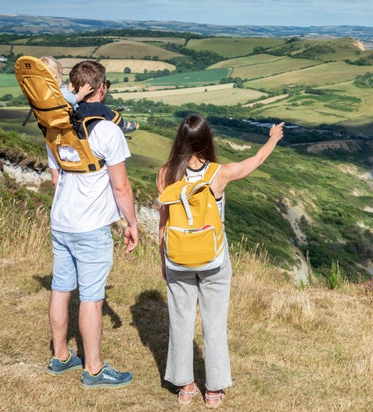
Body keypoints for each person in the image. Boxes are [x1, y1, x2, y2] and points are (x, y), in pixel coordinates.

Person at [156, 114, 284, 409]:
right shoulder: (220, 173)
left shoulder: (165, 174)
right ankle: (213, 391)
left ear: (180, 141)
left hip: (178, 259)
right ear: (206, 141)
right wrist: (273, 138)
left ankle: (185, 387)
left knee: (180, 322)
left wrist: (164, 260)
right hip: (214, 260)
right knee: (214, 323)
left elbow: (163, 222)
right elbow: (257, 160)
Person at [44, 59, 139, 389]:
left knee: (60, 288)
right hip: (91, 224)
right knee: (92, 297)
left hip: (62, 219)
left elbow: (56, 178)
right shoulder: (109, 130)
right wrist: (132, 223)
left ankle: (61, 356)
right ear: (101, 88)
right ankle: (94, 369)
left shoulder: (55, 126)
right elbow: (121, 186)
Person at [41, 56, 139, 133]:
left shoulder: (45, 94)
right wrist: (81, 93)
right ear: (101, 88)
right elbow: (74, 99)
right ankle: (122, 124)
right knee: (101, 109)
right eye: (107, 85)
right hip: (77, 114)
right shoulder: (107, 128)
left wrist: (69, 91)